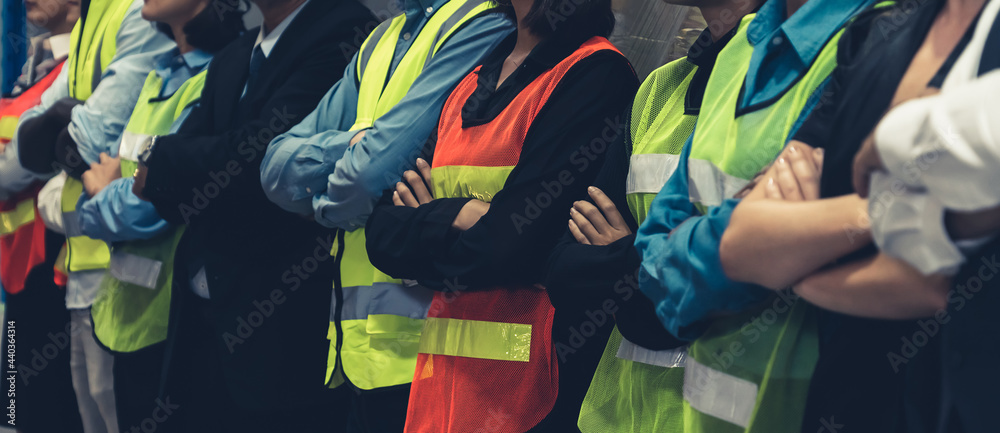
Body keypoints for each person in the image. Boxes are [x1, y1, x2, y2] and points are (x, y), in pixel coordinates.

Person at [364, 0, 637, 430]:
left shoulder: (596, 74)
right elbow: (381, 233)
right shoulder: (472, 77)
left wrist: (429, 221)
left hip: (528, 397)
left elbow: (514, 246)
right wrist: (463, 213)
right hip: (442, 394)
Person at [721, 0, 993, 430]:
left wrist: (810, 244)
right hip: (845, 400)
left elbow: (926, 287)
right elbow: (743, 247)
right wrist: (921, 215)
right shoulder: (876, 33)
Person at [631, 0, 887, 431]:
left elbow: (780, 249)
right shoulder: (745, 40)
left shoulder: (883, 36)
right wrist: (748, 231)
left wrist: (695, 253)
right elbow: (653, 252)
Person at [259, 0, 514, 429]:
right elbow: (274, 169)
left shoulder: (484, 21)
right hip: (358, 349)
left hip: (434, 350)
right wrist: (356, 143)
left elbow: (368, 176)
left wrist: (323, 206)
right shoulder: (382, 37)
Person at [130, 0, 376, 431]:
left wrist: (160, 155)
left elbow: (258, 162)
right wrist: (181, 168)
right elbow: (166, 186)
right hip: (202, 328)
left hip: (281, 338)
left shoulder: (345, 29)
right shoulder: (237, 53)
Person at [541, 1, 760, 431]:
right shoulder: (662, 87)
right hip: (619, 415)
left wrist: (624, 258)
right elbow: (564, 269)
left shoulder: (789, 87)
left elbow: (749, 281)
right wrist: (644, 271)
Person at [74, 0, 244, 430]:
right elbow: (120, 180)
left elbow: (149, 206)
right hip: (123, 312)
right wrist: (108, 193)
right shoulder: (160, 72)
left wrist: (99, 193)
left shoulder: (219, 76)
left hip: (175, 321)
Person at [7, 0, 174, 431]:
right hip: (80, 264)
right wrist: (57, 132)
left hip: (126, 264)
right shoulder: (93, 20)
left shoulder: (136, 12)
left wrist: (58, 134)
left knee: (116, 412)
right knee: (84, 414)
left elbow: (87, 137)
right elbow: (30, 134)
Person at [0, 0, 83, 431]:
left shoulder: (75, 69)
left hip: (54, 256)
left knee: (45, 406)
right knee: (18, 408)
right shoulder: (30, 71)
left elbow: (22, 162)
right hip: (18, 261)